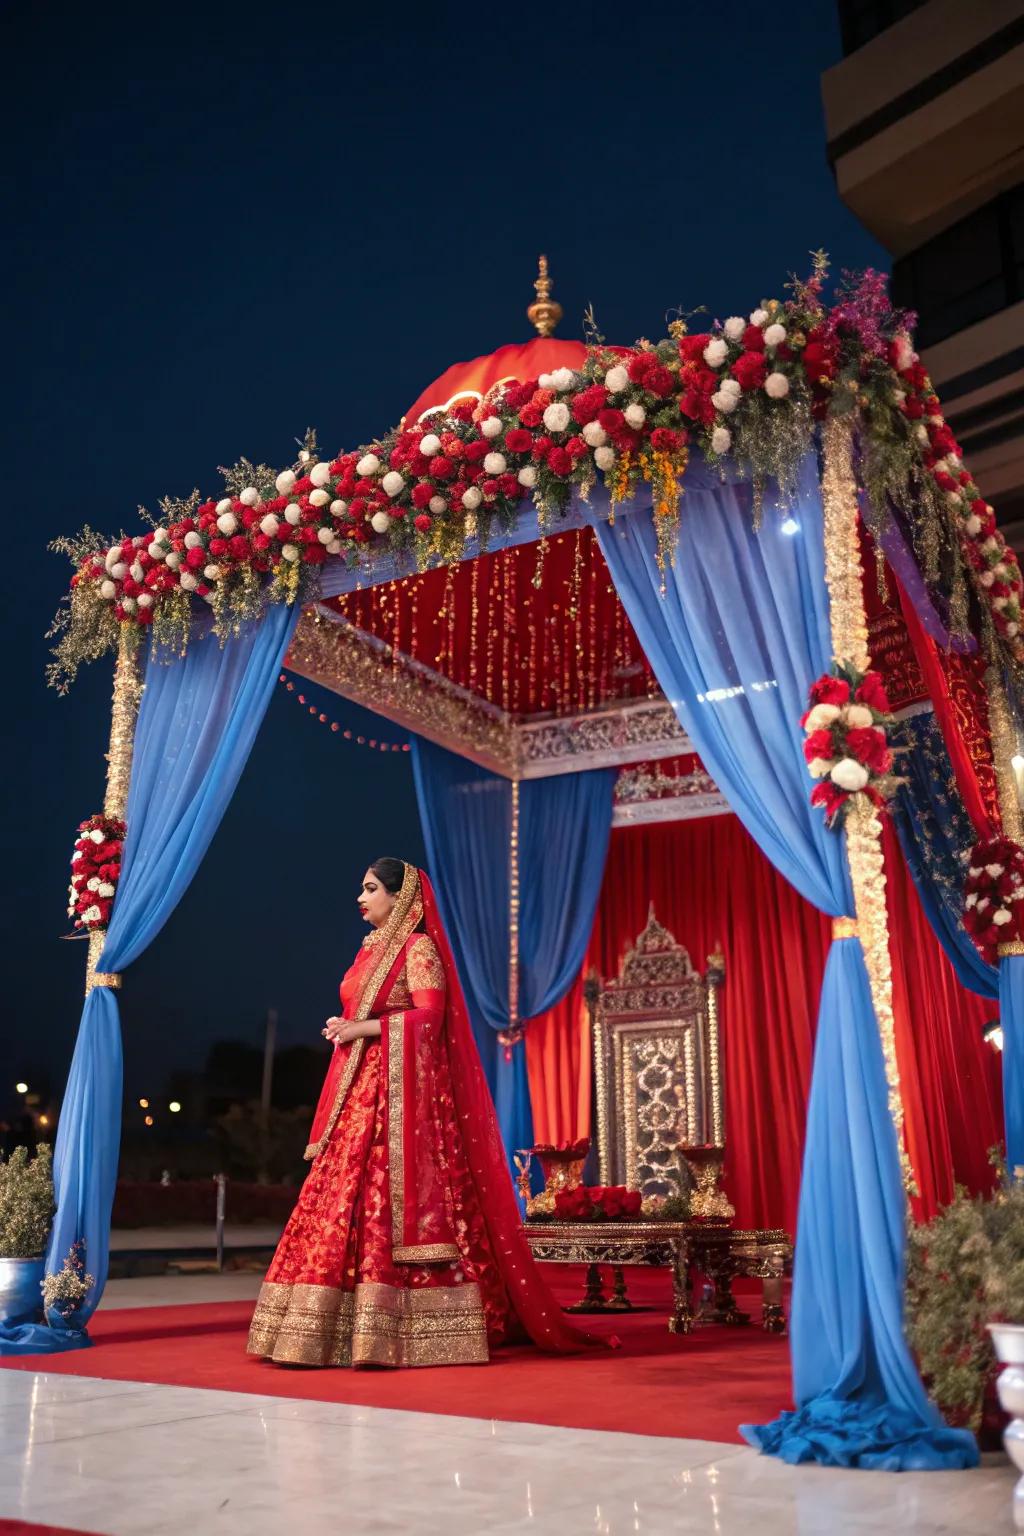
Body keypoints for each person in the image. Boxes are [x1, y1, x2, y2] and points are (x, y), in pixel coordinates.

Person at [247, 858, 588, 1368]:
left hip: (401, 1097)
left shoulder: (418, 947)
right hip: (362, 1086)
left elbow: (429, 1016)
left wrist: (361, 1030)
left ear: (399, 895)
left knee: (386, 1192)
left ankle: (405, 1327)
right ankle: (326, 1328)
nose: (360, 898)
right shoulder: (369, 950)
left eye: (369, 888)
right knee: (341, 1195)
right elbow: (372, 1013)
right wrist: (345, 1025)